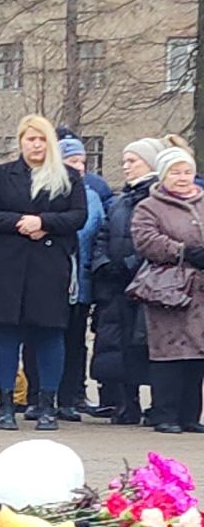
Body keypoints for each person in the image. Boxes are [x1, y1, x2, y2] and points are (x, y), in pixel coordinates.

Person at [0, 113, 88, 431]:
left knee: (50, 336)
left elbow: (78, 216)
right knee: (7, 336)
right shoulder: (3, 174)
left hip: (49, 268)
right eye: (30, 139)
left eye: (41, 139)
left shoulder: (67, 176)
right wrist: (21, 223)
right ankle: (6, 404)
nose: (36, 145)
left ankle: (47, 405)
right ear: (21, 141)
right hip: (7, 268)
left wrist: (45, 223)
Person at [129, 146, 204, 433]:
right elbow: (146, 240)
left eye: (187, 171)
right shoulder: (149, 206)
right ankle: (164, 413)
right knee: (169, 351)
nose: (183, 177)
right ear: (163, 175)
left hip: (201, 290)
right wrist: (182, 251)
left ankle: (190, 415)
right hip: (168, 288)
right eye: (175, 172)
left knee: (198, 353)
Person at [93, 137, 163, 425]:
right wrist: (103, 264)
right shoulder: (120, 201)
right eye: (124, 161)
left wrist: (131, 265)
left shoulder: (157, 198)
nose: (126, 167)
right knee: (117, 346)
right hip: (116, 287)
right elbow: (103, 235)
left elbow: (155, 238)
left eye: (132, 161)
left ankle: (159, 406)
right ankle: (125, 402)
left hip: (145, 285)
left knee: (145, 346)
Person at [57, 137, 107, 420]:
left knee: (76, 341)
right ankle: (39, 394)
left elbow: (99, 233)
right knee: (48, 339)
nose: (78, 167)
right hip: (53, 279)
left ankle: (73, 395)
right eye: (72, 161)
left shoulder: (91, 197)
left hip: (83, 281)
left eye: (82, 162)